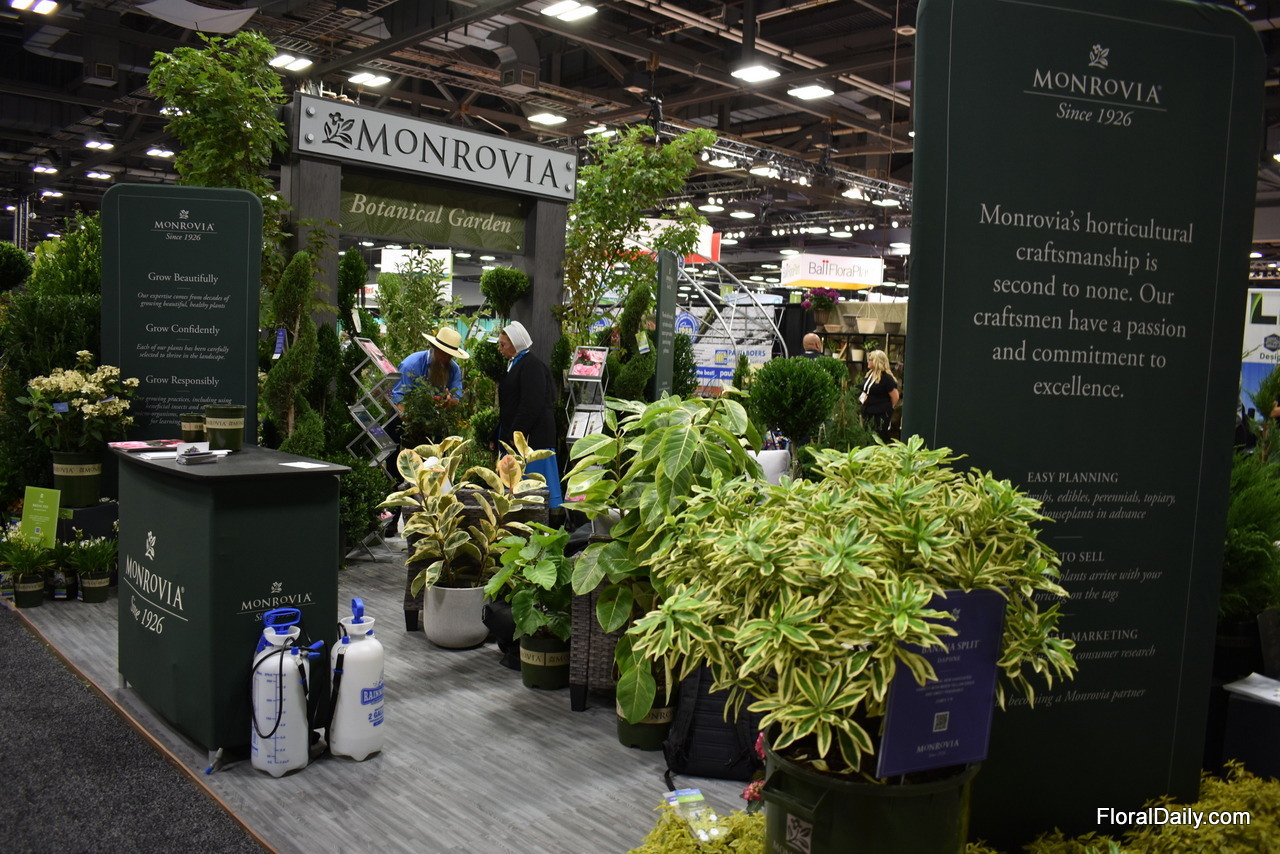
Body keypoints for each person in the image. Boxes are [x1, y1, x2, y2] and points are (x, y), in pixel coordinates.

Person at [383, 326, 470, 537]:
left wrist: (449, 401)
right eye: (443, 354)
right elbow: (397, 398)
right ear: (433, 348)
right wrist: (411, 418)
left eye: (450, 355)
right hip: (403, 423)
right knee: (397, 470)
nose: (445, 359)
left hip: (432, 425)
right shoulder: (412, 364)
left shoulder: (453, 369)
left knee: (433, 471)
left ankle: (430, 524)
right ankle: (391, 521)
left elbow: (457, 397)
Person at [493, 321, 563, 508]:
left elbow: (531, 403)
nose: (500, 349)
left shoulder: (531, 366)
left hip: (532, 438)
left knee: (535, 487)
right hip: (521, 437)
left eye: (503, 345)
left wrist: (517, 433)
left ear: (515, 344)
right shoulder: (517, 364)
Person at [859, 349, 900, 442]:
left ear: (877, 362)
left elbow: (895, 397)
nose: (868, 361)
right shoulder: (869, 375)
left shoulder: (887, 378)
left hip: (880, 415)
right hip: (867, 412)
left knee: (879, 438)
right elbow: (865, 391)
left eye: (870, 359)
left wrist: (886, 408)